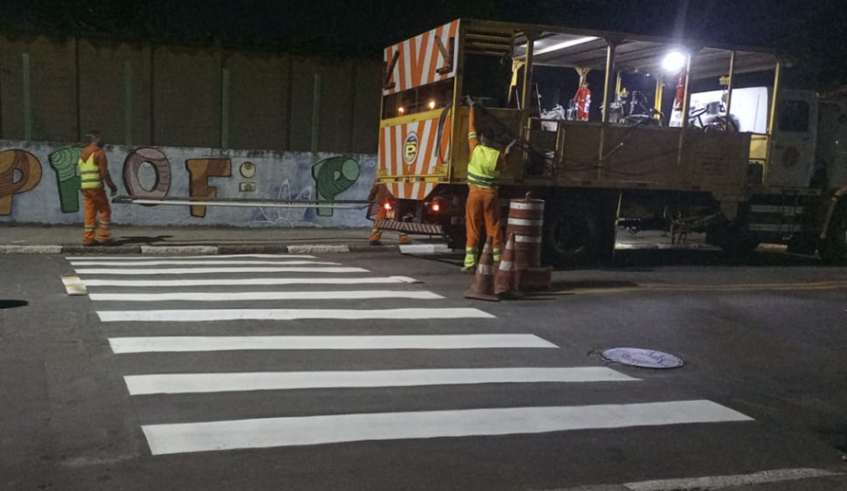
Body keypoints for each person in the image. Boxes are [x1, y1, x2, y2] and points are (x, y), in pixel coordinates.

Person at [463, 100, 516, 272]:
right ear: (493, 141)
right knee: (493, 227)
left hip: (474, 195)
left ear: (481, 138)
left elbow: (471, 128)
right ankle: (497, 261)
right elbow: (505, 164)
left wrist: (472, 108)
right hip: (491, 196)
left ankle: (470, 263)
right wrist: (509, 150)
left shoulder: (475, 149)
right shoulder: (496, 155)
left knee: (473, 228)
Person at [78, 132, 117, 246]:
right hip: (96, 187)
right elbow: (104, 172)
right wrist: (112, 186)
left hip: (85, 187)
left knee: (90, 213)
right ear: (96, 139)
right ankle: (103, 237)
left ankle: (88, 239)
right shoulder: (99, 153)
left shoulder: (83, 153)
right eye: (101, 138)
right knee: (105, 210)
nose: (103, 141)